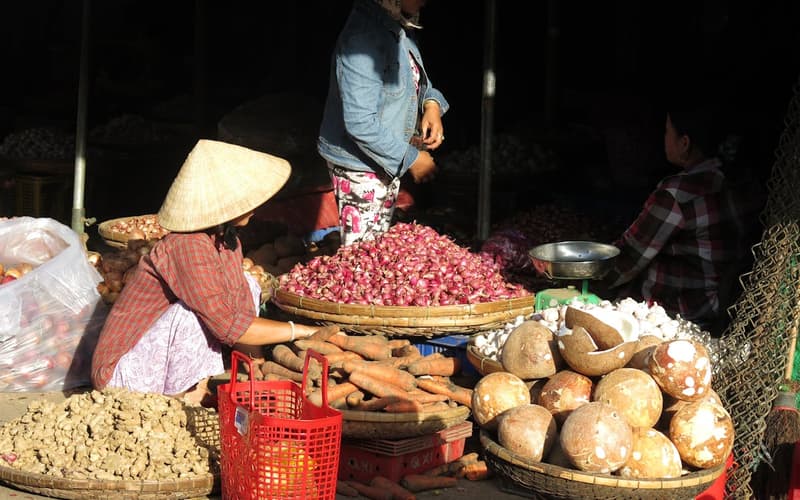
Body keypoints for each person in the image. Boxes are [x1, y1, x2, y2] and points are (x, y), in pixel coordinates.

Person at [91, 139, 318, 404]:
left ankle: (193, 388)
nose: (254, 208)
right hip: (122, 373)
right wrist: (299, 330)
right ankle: (178, 399)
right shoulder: (188, 245)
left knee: (248, 284)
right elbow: (229, 327)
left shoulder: (225, 240)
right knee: (193, 315)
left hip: (156, 353)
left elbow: (240, 308)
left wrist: (257, 365)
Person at [602, 106, 758, 334]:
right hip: (722, 304)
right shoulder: (743, 184)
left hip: (677, 313)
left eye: (667, 132)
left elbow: (628, 259)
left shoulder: (676, 194)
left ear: (684, 143)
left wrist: (582, 277)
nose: (663, 138)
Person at [318, 0, 448, 246]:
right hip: (359, 165)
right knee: (364, 258)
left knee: (377, 251)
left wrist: (431, 105)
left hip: (383, 157)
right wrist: (411, 159)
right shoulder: (364, 38)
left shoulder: (399, 28)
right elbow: (359, 122)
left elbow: (415, 82)